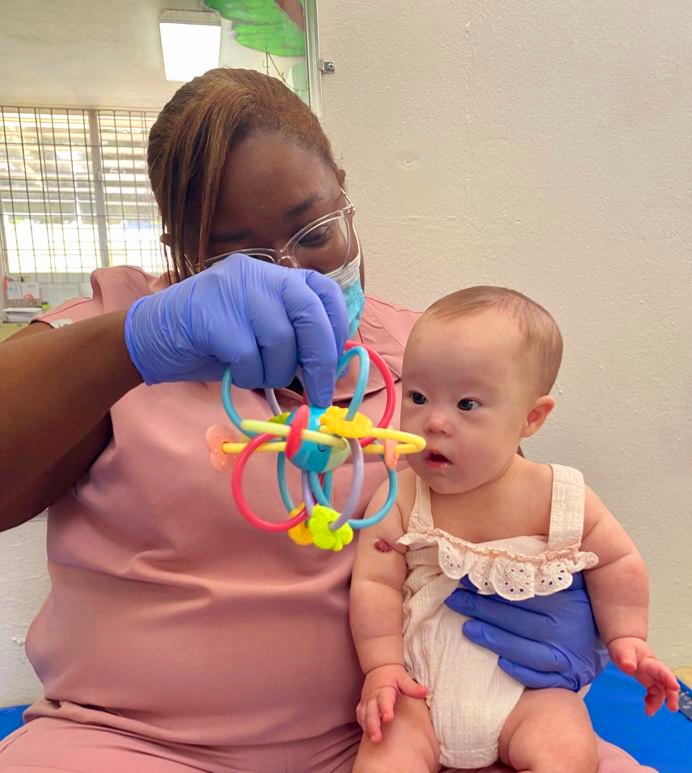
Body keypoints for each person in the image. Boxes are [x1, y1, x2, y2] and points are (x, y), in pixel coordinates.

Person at [0, 68, 652, 772]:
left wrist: (583, 615)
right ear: (178, 247)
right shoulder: (113, 335)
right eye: (237, 254)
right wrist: (131, 343)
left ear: (345, 196)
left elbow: (520, 508)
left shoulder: (424, 359)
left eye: (316, 231)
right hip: (131, 744)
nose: (291, 274)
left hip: (402, 732)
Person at [350, 287, 679, 773]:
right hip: (419, 692)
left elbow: (617, 561)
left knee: (566, 747)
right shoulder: (400, 495)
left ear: (531, 417)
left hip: (531, 697)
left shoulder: (560, 496)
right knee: (386, 746)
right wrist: (382, 667)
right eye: (417, 397)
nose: (434, 421)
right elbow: (374, 583)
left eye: (467, 404)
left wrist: (627, 638)